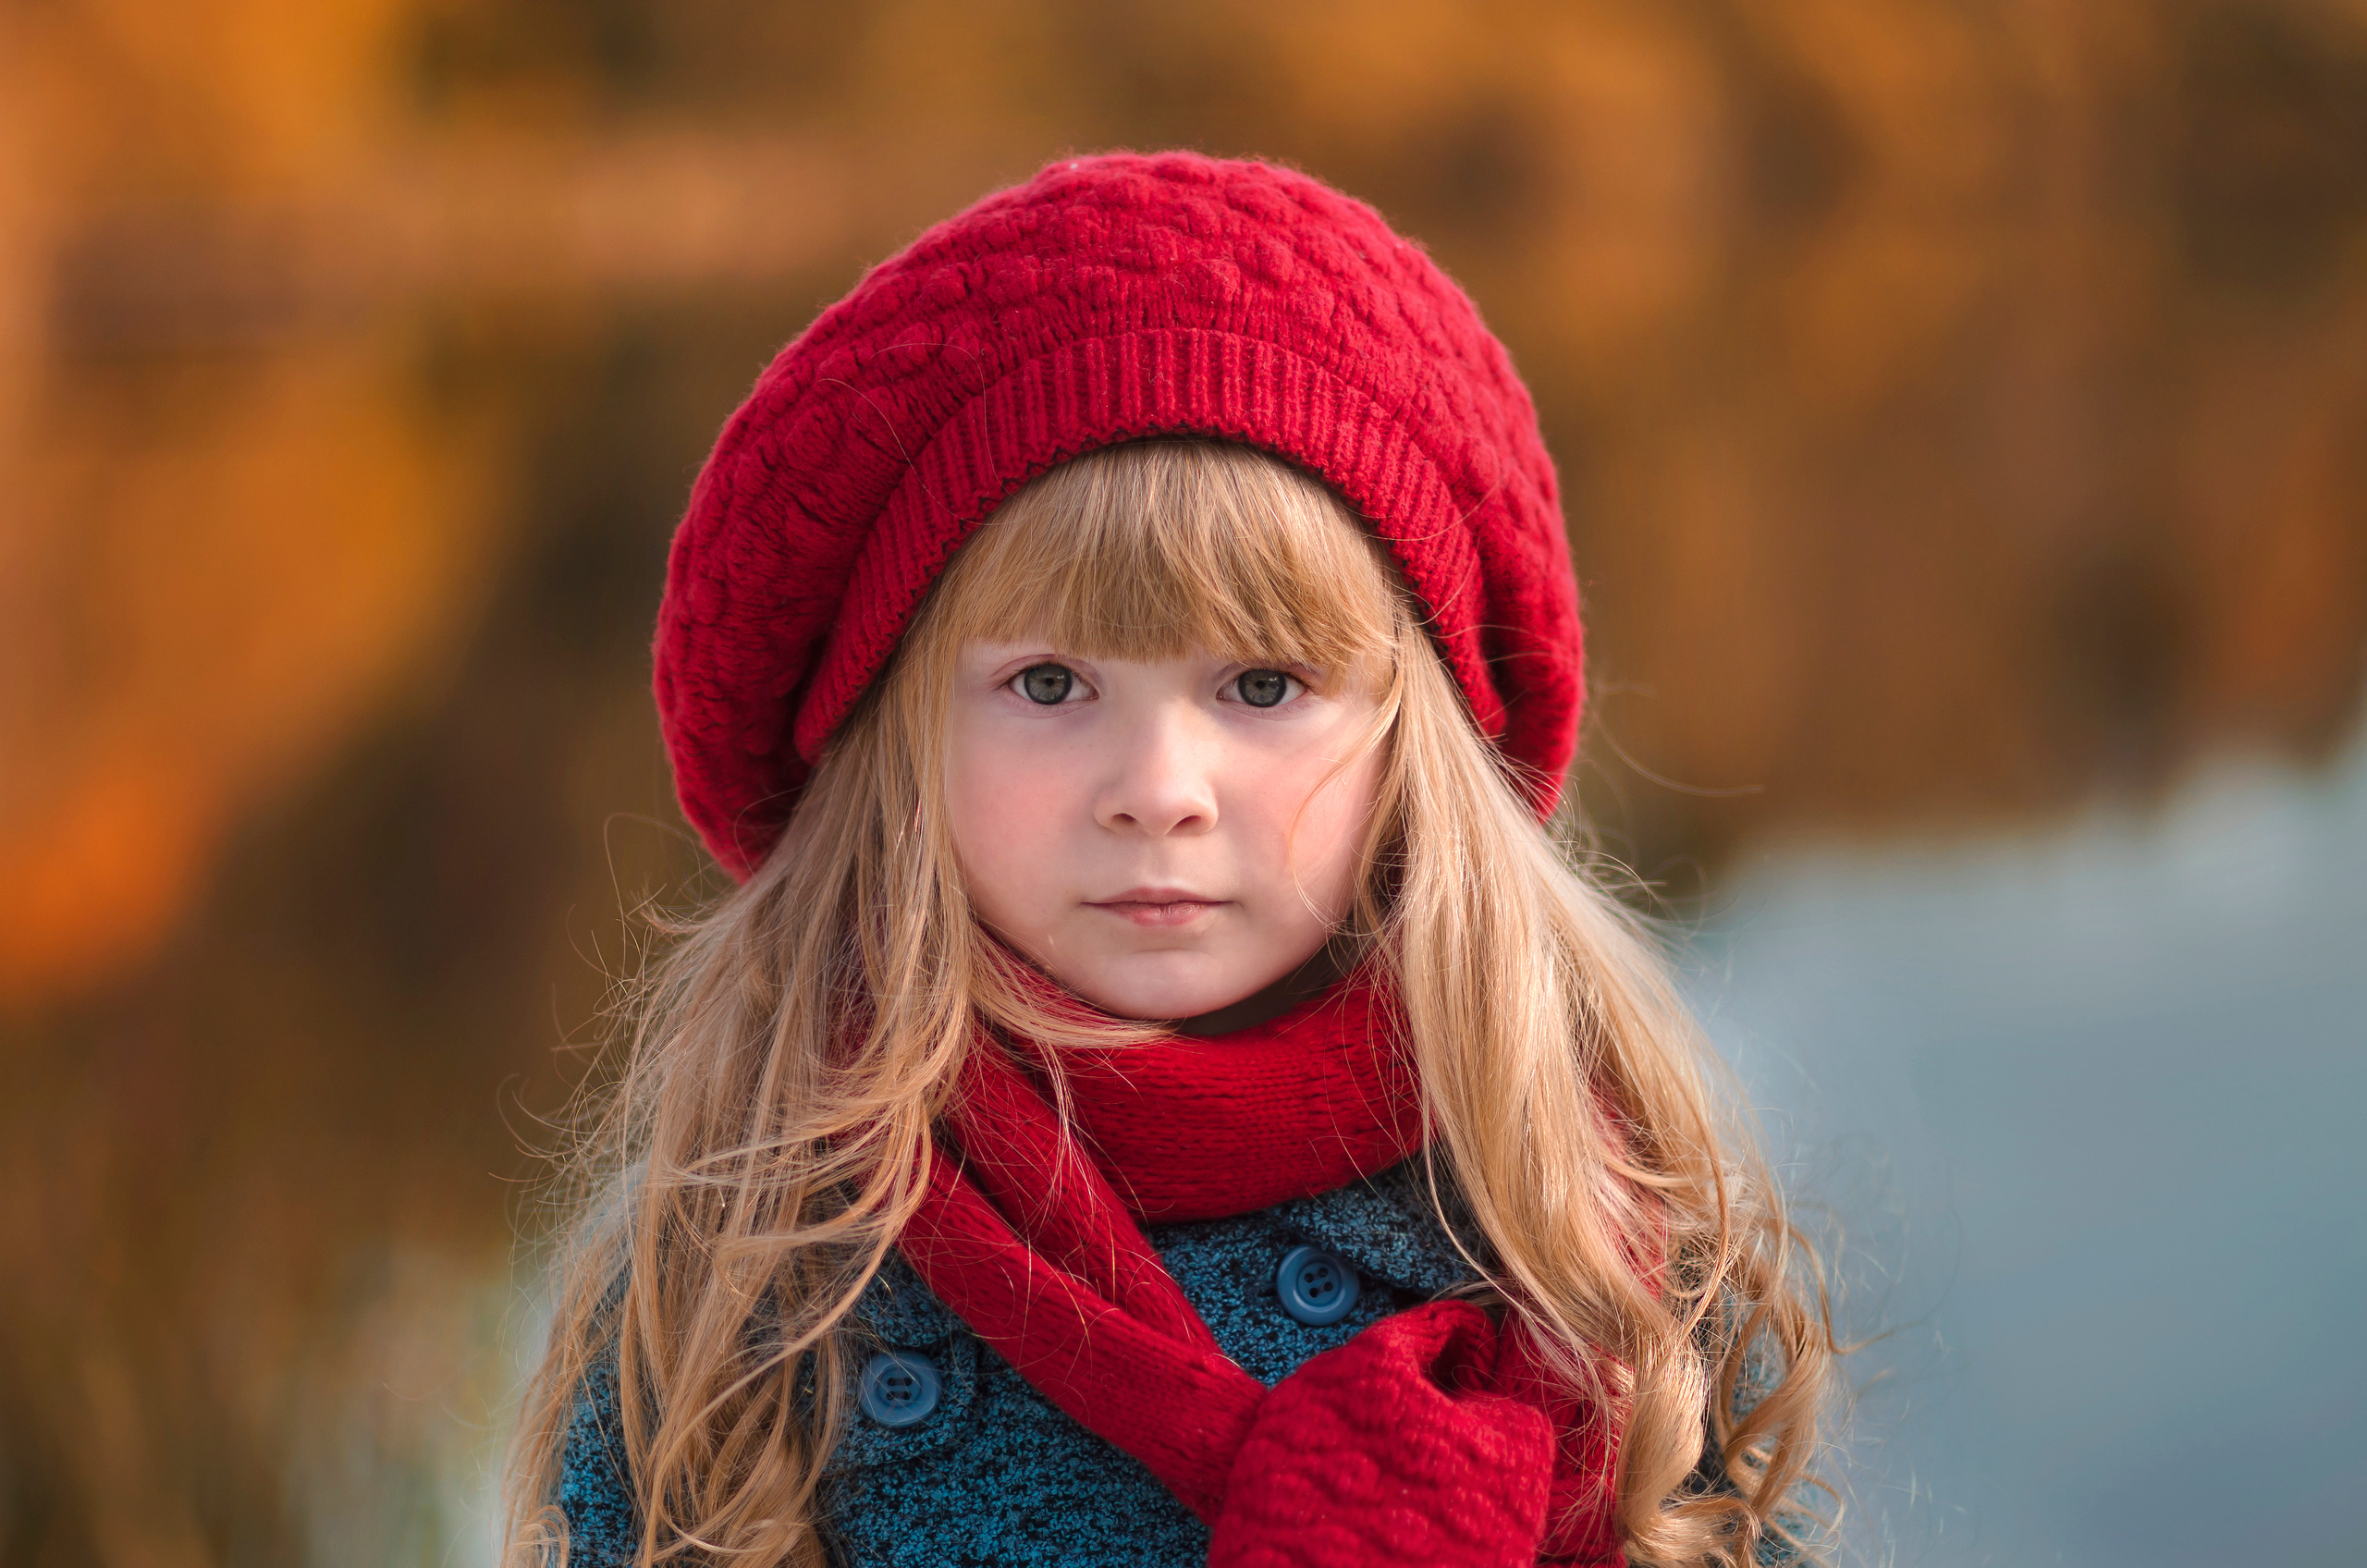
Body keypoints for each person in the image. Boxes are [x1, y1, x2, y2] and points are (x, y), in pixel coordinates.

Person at [505, 152, 1834, 1568]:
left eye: (1262, 689)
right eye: (1049, 685)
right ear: (897, 750)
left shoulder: (1584, 1236)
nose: (1157, 792)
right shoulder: (760, 1271)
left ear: (1414, 748)